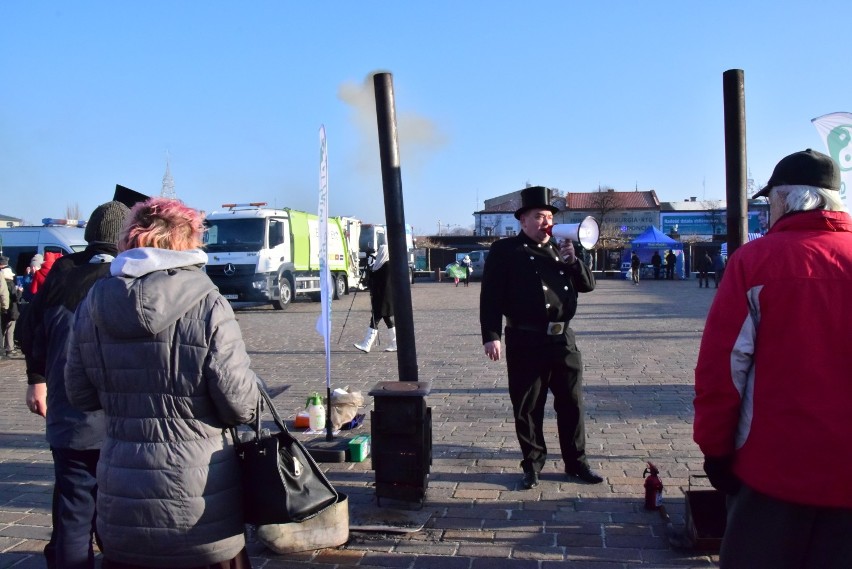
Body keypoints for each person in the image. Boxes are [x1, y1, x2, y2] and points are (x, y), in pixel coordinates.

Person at [65, 197, 261, 568]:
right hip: (199, 497)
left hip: (122, 492)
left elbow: (80, 394)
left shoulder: (94, 301)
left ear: (131, 241)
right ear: (188, 242)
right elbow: (240, 405)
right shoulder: (208, 302)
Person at [693, 149, 852, 566]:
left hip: (774, 467)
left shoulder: (756, 259)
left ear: (785, 199)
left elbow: (724, 369)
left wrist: (715, 448)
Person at [20, 186, 146, 569]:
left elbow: (30, 328)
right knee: (117, 508)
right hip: (118, 419)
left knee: (73, 507)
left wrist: (36, 378)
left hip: (67, 415)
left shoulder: (62, 271)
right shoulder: (128, 276)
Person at [480, 186, 601, 490]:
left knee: (572, 403)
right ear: (523, 220)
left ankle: (577, 462)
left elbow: (588, 286)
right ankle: (532, 464)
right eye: (538, 216)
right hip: (525, 340)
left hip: (563, 341)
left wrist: (573, 261)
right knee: (528, 406)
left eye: (548, 216)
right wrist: (491, 335)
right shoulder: (505, 250)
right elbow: (490, 297)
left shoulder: (561, 248)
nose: (545, 221)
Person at [353, 243, 397, 353]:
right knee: (387, 320)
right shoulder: (387, 265)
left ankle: (367, 344)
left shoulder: (385, 266)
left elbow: (375, 281)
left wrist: (370, 270)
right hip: (386, 299)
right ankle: (395, 343)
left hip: (382, 298)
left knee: (375, 319)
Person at [1, 256, 19, 356]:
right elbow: (15, 298)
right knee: (10, 329)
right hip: (12, 309)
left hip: (4, 310)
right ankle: (10, 348)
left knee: (3, 329)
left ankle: (2, 346)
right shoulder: (11, 284)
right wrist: (19, 292)